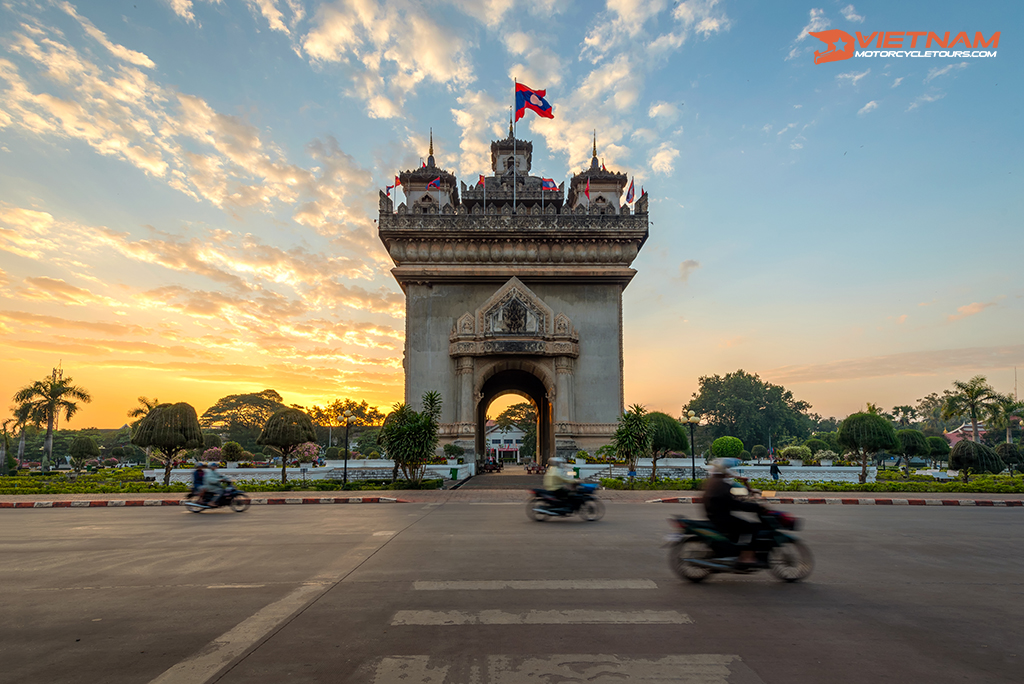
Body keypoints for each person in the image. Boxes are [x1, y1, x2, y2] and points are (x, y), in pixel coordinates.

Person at [703, 458, 767, 567]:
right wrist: (756, 506)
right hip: (721, 517)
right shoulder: (722, 484)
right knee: (750, 527)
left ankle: (735, 553)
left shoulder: (715, 482)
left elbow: (740, 490)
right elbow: (737, 502)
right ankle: (746, 558)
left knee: (739, 529)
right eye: (727, 469)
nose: (729, 471)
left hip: (716, 515)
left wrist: (745, 485)